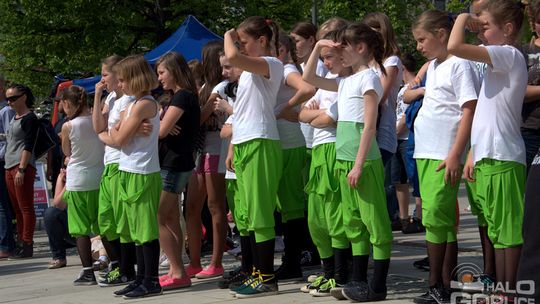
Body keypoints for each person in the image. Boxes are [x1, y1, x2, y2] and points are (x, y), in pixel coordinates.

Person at [303, 22, 392, 302]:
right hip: (343, 160)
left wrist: (359, 163)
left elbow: (369, 126)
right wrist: (319, 46)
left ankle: (377, 285)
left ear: (361, 48)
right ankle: (357, 280)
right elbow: (309, 78)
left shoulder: (370, 78)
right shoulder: (345, 80)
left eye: (344, 47)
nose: (338, 53)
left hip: (362, 162)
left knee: (374, 222)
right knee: (353, 222)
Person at [449, 0, 527, 300]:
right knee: (496, 230)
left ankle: (508, 293)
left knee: (507, 232)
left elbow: (455, 45)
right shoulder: (497, 60)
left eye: (485, 27)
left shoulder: (507, 54)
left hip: (504, 156)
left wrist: (463, 18)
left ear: (507, 29)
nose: (479, 32)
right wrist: (473, 153)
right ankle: (501, 290)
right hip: (489, 156)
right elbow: (486, 114)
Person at [412, 9, 480, 303]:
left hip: (442, 153)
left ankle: (435, 285)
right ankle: (446, 282)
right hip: (425, 151)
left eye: (422, 39)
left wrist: (456, 154)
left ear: (442, 34)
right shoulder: (434, 65)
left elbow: (469, 109)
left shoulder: (459, 65)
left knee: (435, 220)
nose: (418, 46)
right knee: (441, 220)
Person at [224, 16, 284, 298]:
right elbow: (241, 113)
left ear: (262, 40)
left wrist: (228, 34)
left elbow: (232, 55)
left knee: (261, 212)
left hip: (261, 141)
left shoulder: (271, 64)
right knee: (249, 214)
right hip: (247, 141)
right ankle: (256, 272)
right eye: (240, 41)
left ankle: (267, 277)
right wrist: (234, 145)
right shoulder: (248, 72)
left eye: (245, 41)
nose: (241, 46)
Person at [299, 28, 351, 297]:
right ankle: (328, 271)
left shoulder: (349, 81)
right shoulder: (329, 79)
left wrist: (313, 115)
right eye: (323, 56)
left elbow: (330, 119)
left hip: (333, 149)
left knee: (334, 215)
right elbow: (302, 110)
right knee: (317, 218)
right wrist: (318, 44)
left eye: (330, 56)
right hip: (318, 150)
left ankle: (340, 275)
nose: (326, 62)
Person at [108, 55, 162, 299]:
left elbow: (117, 139)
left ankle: (151, 279)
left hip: (143, 171)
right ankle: (140, 277)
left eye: (123, 80)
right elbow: (113, 132)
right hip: (129, 169)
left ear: (135, 78)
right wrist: (122, 128)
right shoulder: (132, 104)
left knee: (145, 229)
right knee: (135, 229)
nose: (120, 85)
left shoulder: (144, 104)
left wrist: (121, 129)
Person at [155, 51, 200, 289]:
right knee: (170, 217)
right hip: (176, 162)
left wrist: (156, 124)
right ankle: (176, 270)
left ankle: (178, 271)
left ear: (174, 71)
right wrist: (161, 122)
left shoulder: (182, 97)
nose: (159, 78)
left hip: (174, 163)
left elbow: (161, 131)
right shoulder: (181, 97)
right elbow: (163, 128)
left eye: (162, 72)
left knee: (160, 216)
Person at [273, 32, 315, 282]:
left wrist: (281, 110)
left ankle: (293, 261)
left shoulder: (287, 68)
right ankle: (291, 260)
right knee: (286, 207)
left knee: (291, 207)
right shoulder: (280, 69)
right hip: (283, 144)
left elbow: (306, 89)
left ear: (282, 50)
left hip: (289, 144)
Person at [92, 55, 137, 287]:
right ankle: (118, 264)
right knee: (105, 220)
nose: (102, 80)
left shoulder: (129, 99)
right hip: (108, 164)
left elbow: (118, 137)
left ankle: (127, 268)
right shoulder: (110, 98)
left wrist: (106, 135)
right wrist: (98, 95)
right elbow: (98, 128)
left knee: (123, 221)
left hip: (121, 163)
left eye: (105, 75)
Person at [185, 41, 228, 280]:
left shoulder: (218, 88)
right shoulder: (204, 89)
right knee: (192, 207)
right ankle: (194, 261)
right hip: (202, 150)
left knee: (215, 205)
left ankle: (216, 261)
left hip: (215, 147)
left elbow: (197, 120)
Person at [59, 85, 105, 285]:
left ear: (67, 103)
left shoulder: (68, 126)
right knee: (102, 225)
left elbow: (67, 153)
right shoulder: (98, 120)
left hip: (78, 179)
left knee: (80, 229)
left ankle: (88, 271)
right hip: (99, 175)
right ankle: (115, 264)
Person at [4, 84, 39, 259]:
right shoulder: (15, 117)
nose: (9, 102)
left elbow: (28, 144)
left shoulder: (30, 118)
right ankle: (21, 242)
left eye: (13, 98)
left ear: (23, 97)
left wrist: (22, 169)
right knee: (17, 208)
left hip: (21, 165)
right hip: (9, 165)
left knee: (25, 207)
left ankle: (27, 243)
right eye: (7, 98)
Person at [521, 0, 540, 171]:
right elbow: (519, 92)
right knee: (530, 190)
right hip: (530, 130)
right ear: (533, 23)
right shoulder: (523, 52)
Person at [43, 168, 75, 269]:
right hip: (73, 228)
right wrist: (67, 183)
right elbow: (59, 205)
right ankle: (59, 257)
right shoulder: (63, 177)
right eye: (66, 166)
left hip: (92, 232)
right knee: (50, 213)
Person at [0, 75, 15, 259]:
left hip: (3, 160)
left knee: (3, 205)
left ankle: (6, 244)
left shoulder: (6, 110)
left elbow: (10, 137)